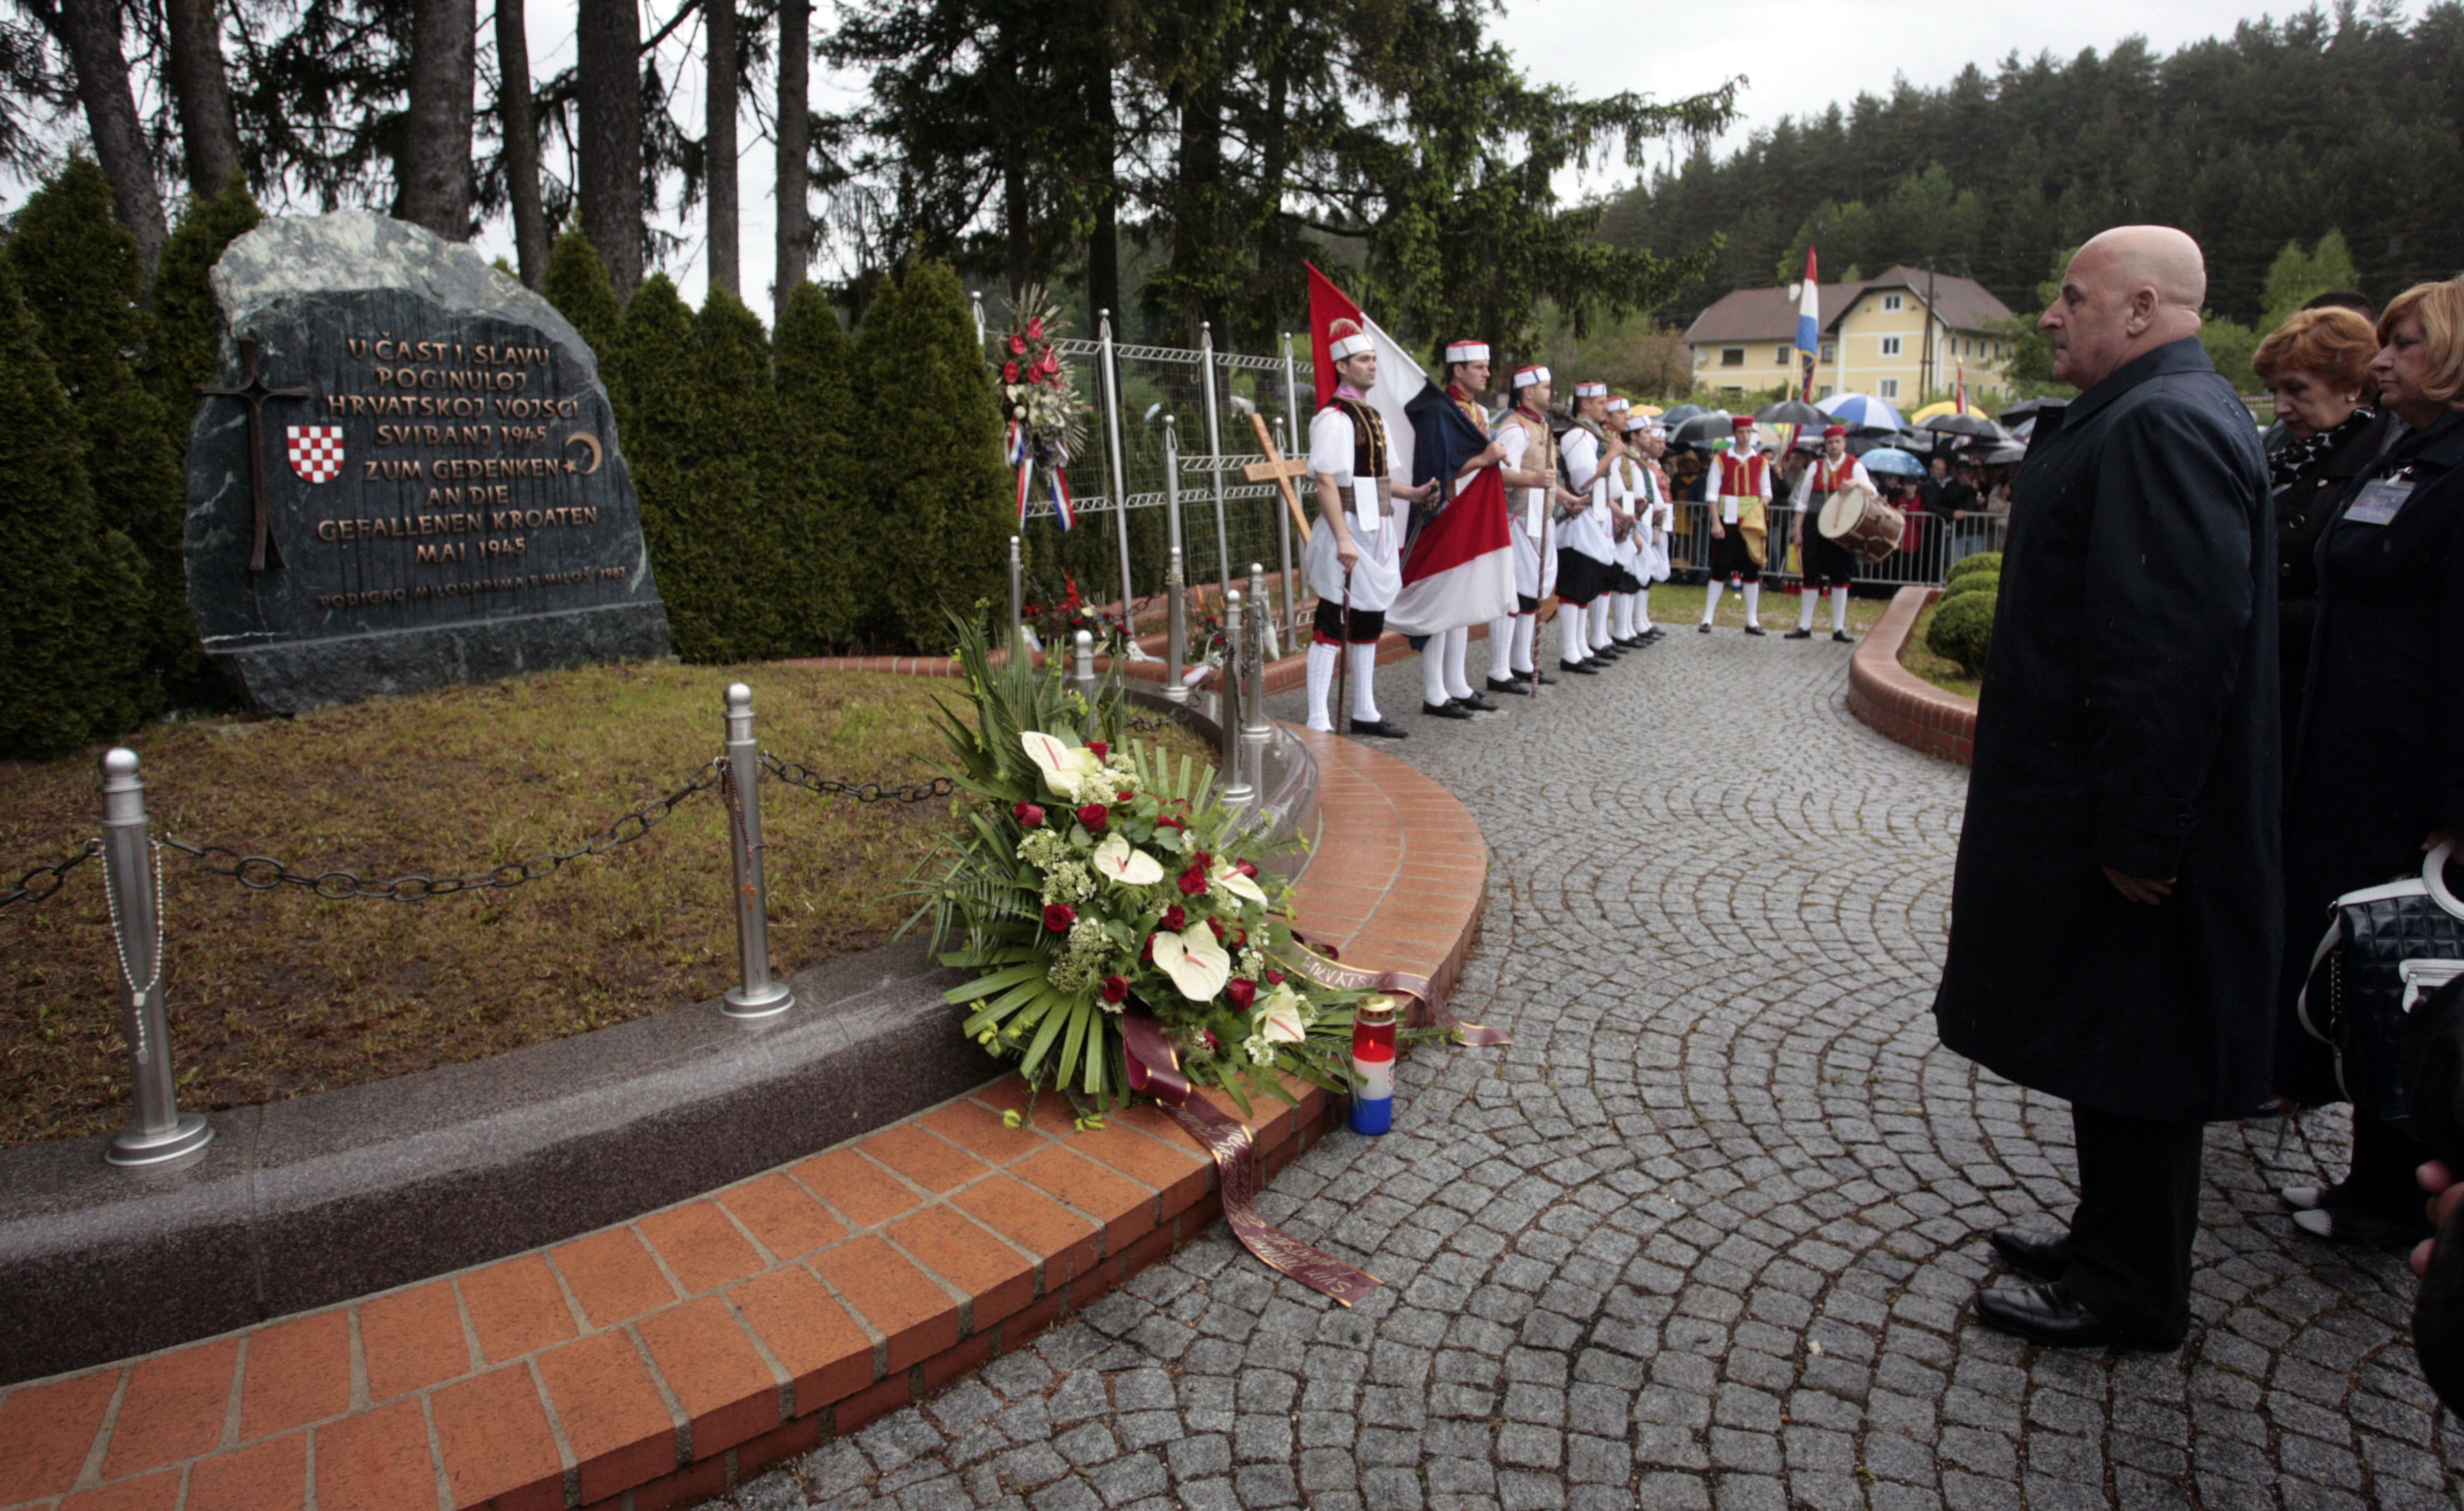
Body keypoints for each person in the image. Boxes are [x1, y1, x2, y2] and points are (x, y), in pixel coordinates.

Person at [1935, 226, 2276, 1351]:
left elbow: (2167, 647)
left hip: (2128, 826)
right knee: (2110, 1037)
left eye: (2069, 296)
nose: (2048, 315)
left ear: (2139, 310)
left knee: (2140, 1046)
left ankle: (2133, 1286)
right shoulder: (2145, 413)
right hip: (2097, 806)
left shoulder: (2165, 424)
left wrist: (2142, 829)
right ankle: (2104, 1237)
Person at [2273, 279, 2464, 1248]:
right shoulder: (2409, 455)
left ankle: (2395, 1194)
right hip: (2344, 756)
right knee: (2361, 962)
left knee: (2410, 981)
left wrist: (2454, 806)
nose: (2385, 362)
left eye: (2408, 345)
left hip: (2407, 780)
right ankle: (2367, 1175)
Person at [2250, 307, 2388, 778]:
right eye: (2275, 392)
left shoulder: (2382, 463)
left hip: (2326, 699)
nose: (2282, 408)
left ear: (2350, 381)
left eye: (2297, 390)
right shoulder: (2288, 457)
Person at [1301, 318, 1436, 737]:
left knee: (1368, 622)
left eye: (1375, 359)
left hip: (1376, 528)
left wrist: (1412, 495)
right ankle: (1318, 718)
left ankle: (1364, 710)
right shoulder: (1334, 419)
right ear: (1342, 366)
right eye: (1364, 359)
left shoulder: (1371, 416)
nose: (1373, 366)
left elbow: (1375, 480)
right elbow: (1326, 479)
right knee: (1332, 622)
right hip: (1348, 530)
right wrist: (1342, 537)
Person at [1408, 339, 1509, 721]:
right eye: (1479, 367)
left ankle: (1458, 684)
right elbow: (1438, 466)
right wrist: (1484, 459)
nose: (1486, 372)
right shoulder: (1440, 410)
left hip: (1474, 510)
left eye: (1486, 366)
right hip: (1448, 508)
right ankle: (1435, 692)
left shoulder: (1478, 411)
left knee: (1463, 601)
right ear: (1458, 370)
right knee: (1443, 599)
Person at [1487, 367, 1585, 693]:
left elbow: (1547, 477)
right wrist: (1533, 481)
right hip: (1517, 516)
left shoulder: (1541, 425)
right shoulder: (1515, 429)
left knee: (1532, 592)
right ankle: (1499, 669)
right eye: (1545, 388)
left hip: (1539, 517)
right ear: (1527, 392)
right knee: (1516, 592)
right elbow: (1499, 473)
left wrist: (1565, 496)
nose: (1551, 394)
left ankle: (1522, 662)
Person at [1554, 382, 1624, 674]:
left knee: (1588, 586)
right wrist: (1613, 454)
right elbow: (1583, 479)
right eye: (1600, 402)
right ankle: (1570, 651)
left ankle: (1581, 646)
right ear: (1584, 405)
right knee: (1576, 586)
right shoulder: (1578, 436)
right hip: (1577, 520)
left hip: (1594, 518)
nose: (1605, 408)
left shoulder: (1590, 435)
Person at [1787, 424, 1870, 642]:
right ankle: (1805, 625)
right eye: (1830, 442)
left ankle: (1839, 628)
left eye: (1837, 442)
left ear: (1844, 443)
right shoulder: (1816, 466)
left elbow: (1873, 491)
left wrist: (1855, 483)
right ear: (1826, 445)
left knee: (1840, 575)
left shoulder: (1855, 465)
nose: (1834, 446)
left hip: (1842, 527)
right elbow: (1802, 502)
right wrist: (1798, 531)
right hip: (1814, 524)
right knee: (1811, 573)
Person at [1699, 415, 1772, 634]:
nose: (1745, 436)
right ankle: (1708, 617)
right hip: (1727, 519)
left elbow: (1767, 492)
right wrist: (1715, 522)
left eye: (1749, 432)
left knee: (1752, 568)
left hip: (1751, 523)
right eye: (1741, 432)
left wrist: (1760, 509)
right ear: (1734, 434)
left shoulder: (1761, 461)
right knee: (1720, 568)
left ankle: (1752, 620)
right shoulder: (1721, 459)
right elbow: (1712, 493)